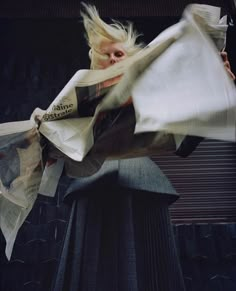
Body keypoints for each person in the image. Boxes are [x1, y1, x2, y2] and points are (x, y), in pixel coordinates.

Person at [53, 4, 235, 291]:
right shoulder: (77, 98)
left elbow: (184, 145)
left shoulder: (154, 95)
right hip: (92, 192)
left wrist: (218, 85)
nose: (113, 59)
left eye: (119, 54)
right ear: (96, 63)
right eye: (107, 55)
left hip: (143, 191)